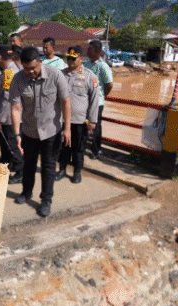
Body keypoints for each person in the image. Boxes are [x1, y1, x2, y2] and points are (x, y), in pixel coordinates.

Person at [9, 47, 71, 217]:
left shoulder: (55, 75)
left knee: (48, 166)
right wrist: (17, 134)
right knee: (28, 164)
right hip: (29, 131)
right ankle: (26, 192)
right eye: (26, 68)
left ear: (40, 62)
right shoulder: (18, 79)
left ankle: (46, 199)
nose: (30, 72)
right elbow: (15, 108)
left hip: (52, 131)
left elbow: (65, 102)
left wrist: (67, 129)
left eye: (33, 68)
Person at [57, 46, 99, 184]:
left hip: (79, 121)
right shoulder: (60, 75)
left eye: (74, 58)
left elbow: (94, 100)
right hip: (61, 119)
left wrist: (92, 120)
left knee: (78, 148)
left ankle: (77, 171)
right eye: (68, 58)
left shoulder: (89, 77)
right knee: (63, 147)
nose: (70, 61)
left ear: (81, 59)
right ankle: (62, 169)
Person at [0, 44, 23, 184]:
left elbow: (7, 99)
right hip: (9, 116)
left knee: (12, 144)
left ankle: (20, 171)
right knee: (6, 142)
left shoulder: (9, 73)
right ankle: (7, 161)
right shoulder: (9, 70)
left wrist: (0, 118)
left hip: (9, 117)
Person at [83, 39, 113, 159]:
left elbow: (109, 84)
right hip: (85, 100)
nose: (87, 51)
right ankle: (82, 148)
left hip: (97, 102)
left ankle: (96, 151)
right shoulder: (87, 64)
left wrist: (102, 96)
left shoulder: (103, 66)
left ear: (96, 51)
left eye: (89, 49)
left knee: (96, 127)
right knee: (84, 125)